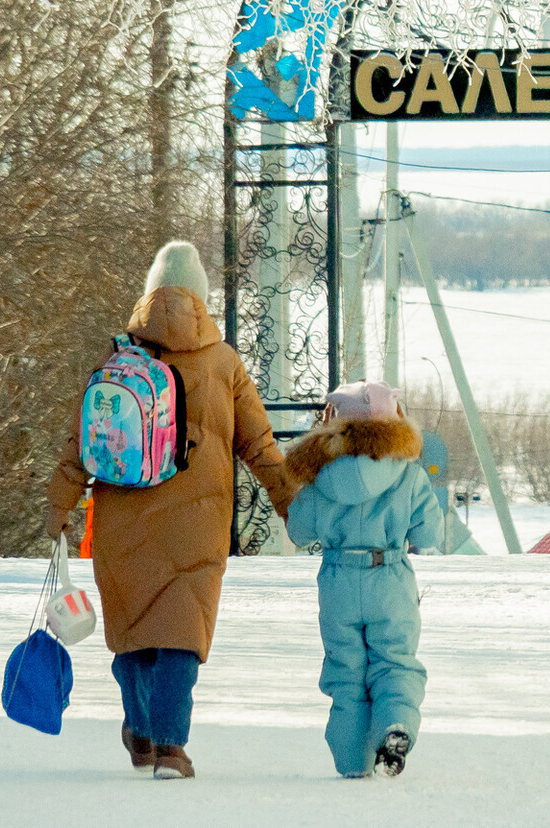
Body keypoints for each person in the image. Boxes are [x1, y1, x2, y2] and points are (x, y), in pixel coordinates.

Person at [45, 240, 291, 780]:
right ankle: (169, 747)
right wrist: (291, 501)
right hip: (197, 526)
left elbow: (79, 443)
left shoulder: (116, 357)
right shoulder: (224, 362)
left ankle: (141, 730)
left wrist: (59, 506)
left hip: (121, 519)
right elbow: (260, 445)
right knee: (182, 632)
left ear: (149, 293)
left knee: (133, 631)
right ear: (201, 299)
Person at [284, 379, 444, 779]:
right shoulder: (408, 475)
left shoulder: (320, 475)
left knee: (346, 670)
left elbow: (300, 532)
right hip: (389, 578)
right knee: (394, 662)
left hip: (339, 580)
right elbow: (429, 536)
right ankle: (396, 725)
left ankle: (352, 762)